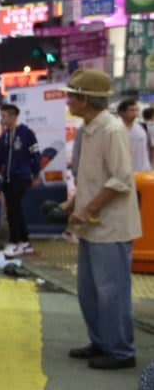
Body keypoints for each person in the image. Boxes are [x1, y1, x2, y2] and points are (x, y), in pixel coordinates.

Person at [61, 69, 141, 370]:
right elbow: (90, 178)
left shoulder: (112, 129)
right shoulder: (88, 128)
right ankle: (100, 342)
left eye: (72, 96)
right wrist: (72, 203)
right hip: (90, 227)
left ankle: (121, 352)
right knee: (90, 291)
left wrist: (88, 209)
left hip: (112, 227)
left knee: (112, 292)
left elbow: (120, 180)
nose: (68, 101)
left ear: (84, 99)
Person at [0, 104, 41, 257]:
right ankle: (24, 242)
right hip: (7, 179)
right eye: (1, 116)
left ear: (13, 117)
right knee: (14, 210)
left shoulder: (27, 134)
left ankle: (15, 242)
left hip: (22, 177)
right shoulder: (3, 138)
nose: (2, 119)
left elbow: (35, 155)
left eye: (4, 116)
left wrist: (35, 174)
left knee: (14, 209)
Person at [117, 97, 151, 174]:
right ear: (121, 112)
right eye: (131, 110)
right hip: (125, 174)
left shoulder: (143, 128)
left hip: (144, 172)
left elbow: (150, 148)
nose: (135, 112)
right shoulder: (115, 130)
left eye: (136, 110)